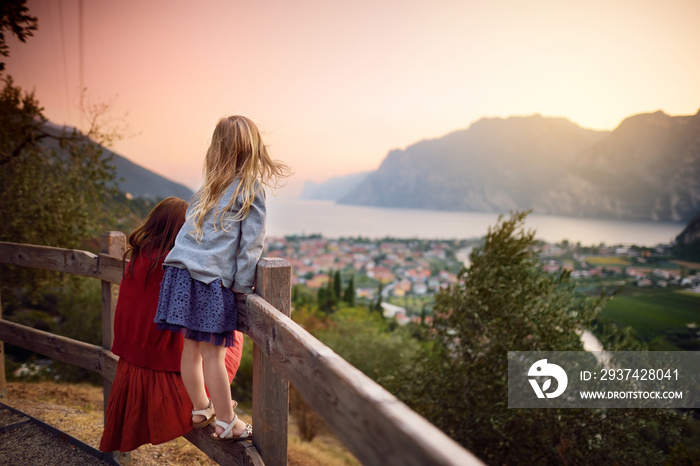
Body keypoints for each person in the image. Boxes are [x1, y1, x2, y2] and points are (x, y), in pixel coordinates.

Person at [154, 115, 291, 441]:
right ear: (253, 149)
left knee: (191, 349)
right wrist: (243, 288)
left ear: (217, 148)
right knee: (214, 354)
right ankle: (227, 422)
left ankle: (201, 407)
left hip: (178, 274)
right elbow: (251, 246)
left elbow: (189, 235)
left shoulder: (204, 190)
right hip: (209, 281)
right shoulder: (250, 190)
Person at [99, 197, 244, 453]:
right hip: (166, 361)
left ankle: (210, 404)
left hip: (134, 354)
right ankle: (216, 404)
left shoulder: (138, 257)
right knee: (227, 340)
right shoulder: (177, 265)